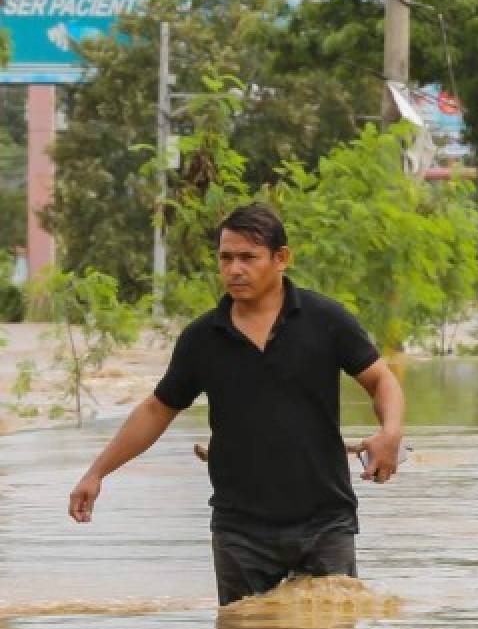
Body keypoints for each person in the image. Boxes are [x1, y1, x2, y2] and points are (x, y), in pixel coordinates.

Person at [67, 203, 407, 606]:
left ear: (281, 259)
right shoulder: (202, 339)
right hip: (240, 531)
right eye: (226, 258)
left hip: (325, 521)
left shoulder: (325, 320)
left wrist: (391, 433)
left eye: (248, 257)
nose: (234, 269)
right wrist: (97, 472)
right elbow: (157, 410)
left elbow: (381, 379)